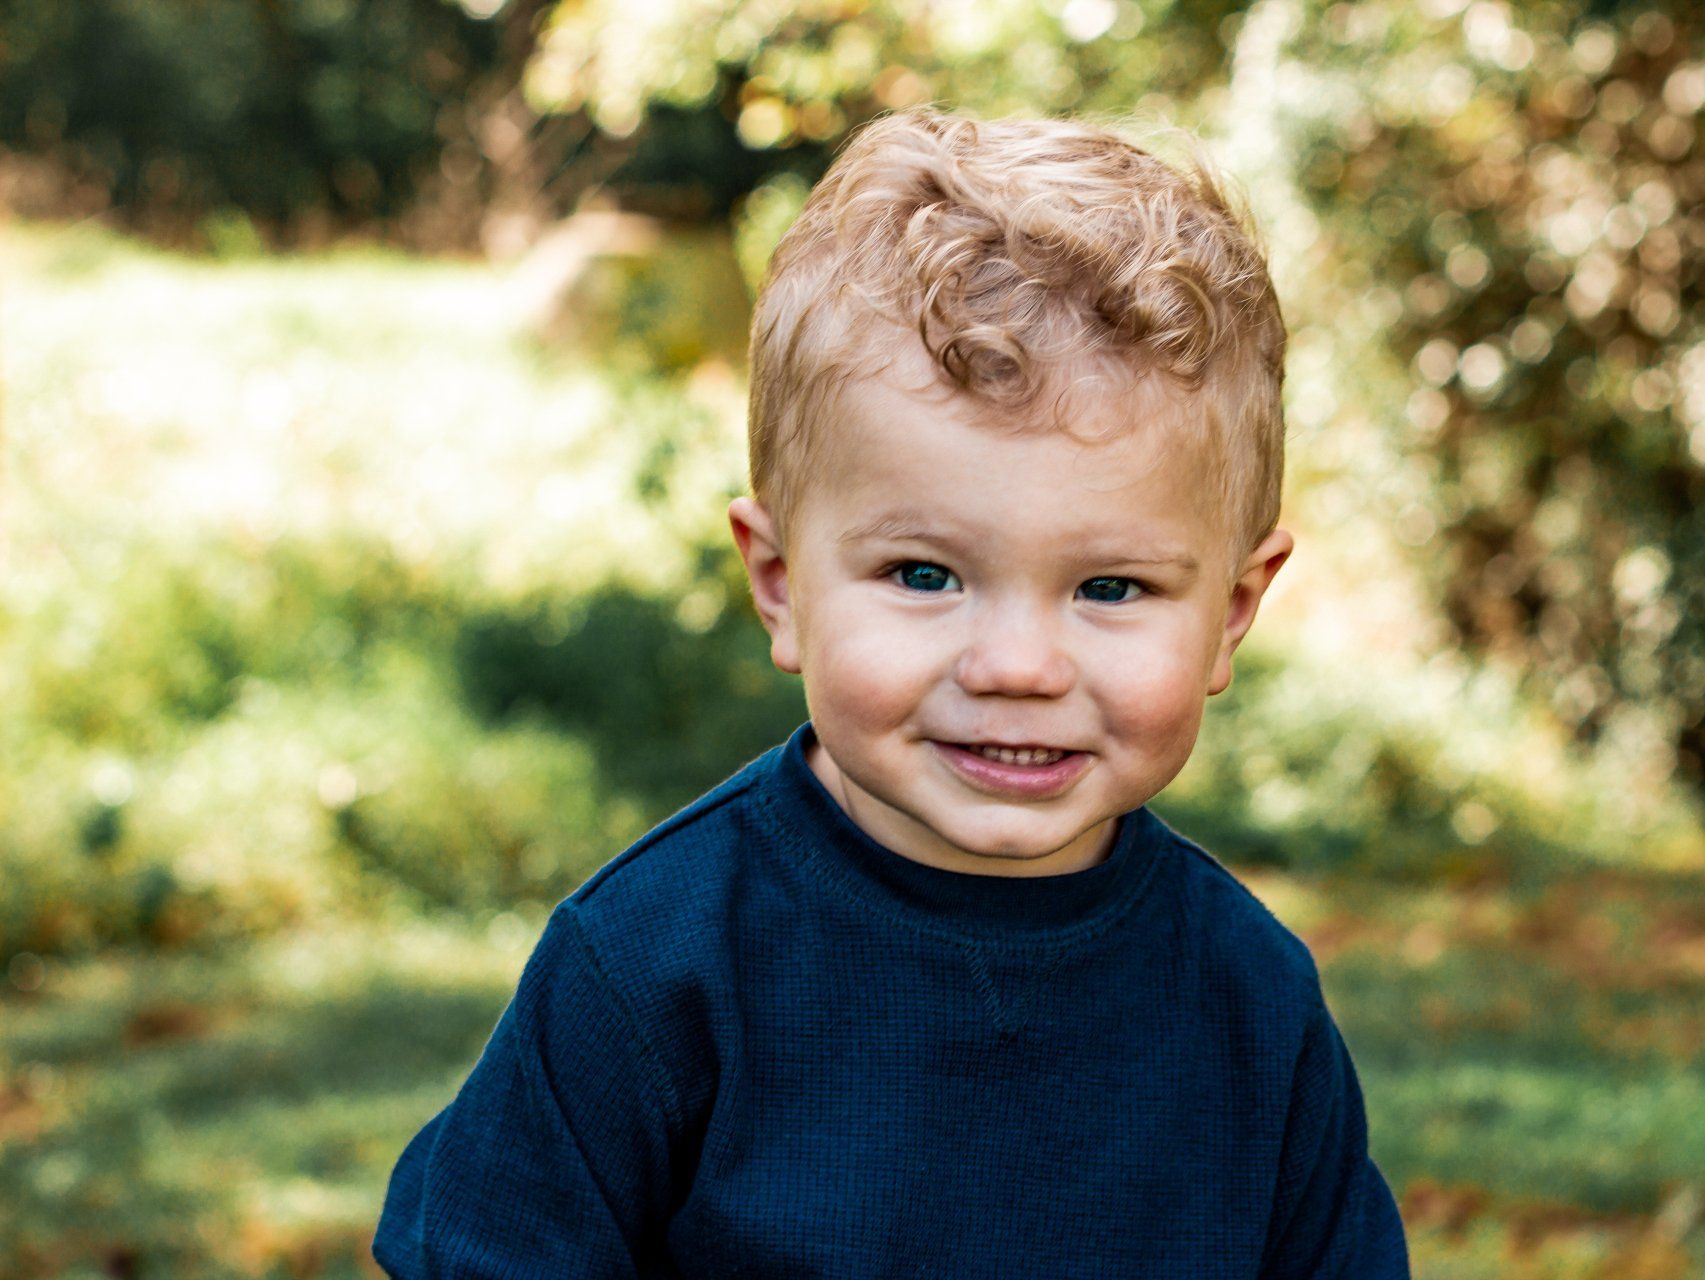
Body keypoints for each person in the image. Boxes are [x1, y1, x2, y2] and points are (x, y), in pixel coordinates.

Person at [373, 107, 1410, 1278]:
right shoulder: (650, 968)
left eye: (1110, 586)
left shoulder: (1252, 1007)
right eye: (925, 574)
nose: (1018, 665)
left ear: (1231, 611)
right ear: (780, 584)